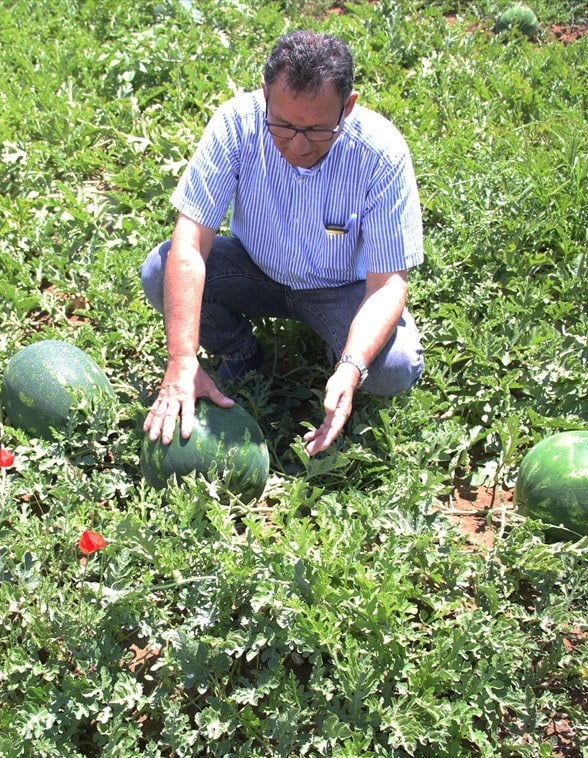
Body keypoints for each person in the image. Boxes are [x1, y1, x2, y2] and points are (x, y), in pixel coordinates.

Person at [140, 30, 425, 457]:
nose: (297, 144)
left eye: (316, 130)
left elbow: (387, 284)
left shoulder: (380, 154)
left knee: (393, 368)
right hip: (253, 267)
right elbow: (189, 244)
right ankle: (241, 352)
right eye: (284, 125)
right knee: (160, 271)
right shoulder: (237, 124)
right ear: (265, 94)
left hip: (338, 289)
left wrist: (351, 367)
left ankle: (335, 361)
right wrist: (182, 359)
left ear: (347, 107)